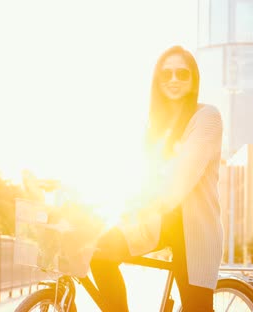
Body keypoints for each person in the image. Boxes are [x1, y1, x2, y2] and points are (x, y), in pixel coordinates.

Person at [89, 45, 223, 311]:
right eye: (167, 74)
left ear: (193, 79)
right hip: (157, 223)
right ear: (158, 80)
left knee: (197, 307)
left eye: (182, 74)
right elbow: (137, 173)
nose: (174, 80)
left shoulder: (207, 117)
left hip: (194, 230)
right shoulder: (155, 125)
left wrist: (146, 202)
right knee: (99, 253)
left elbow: (181, 179)